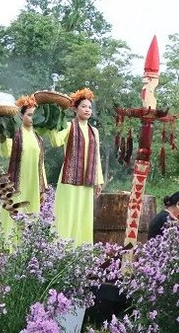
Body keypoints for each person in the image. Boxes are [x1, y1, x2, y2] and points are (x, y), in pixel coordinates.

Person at [49, 88, 104, 244]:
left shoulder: (94, 131)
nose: (87, 110)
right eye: (83, 106)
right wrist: (52, 123)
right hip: (69, 178)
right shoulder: (68, 126)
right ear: (75, 109)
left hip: (87, 179)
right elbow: (56, 141)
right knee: (67, 212)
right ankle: (60, 246)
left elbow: (97, 156)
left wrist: (99, 180)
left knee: (83, 214)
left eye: (89, 107)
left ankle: (81, 248)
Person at [0, 95, 47, 240]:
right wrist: (2, 137)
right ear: (21, 115)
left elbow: (41, 164)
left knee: (31, 218)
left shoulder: (39, 138)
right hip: (16, 183)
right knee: (14, 215)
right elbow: (5, 152)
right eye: (29, 114)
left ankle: (28, 248)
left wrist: (43, 189)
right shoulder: (15, 134)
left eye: (34, 115)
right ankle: (10, 247)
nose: (32, 118)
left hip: (33, 185)